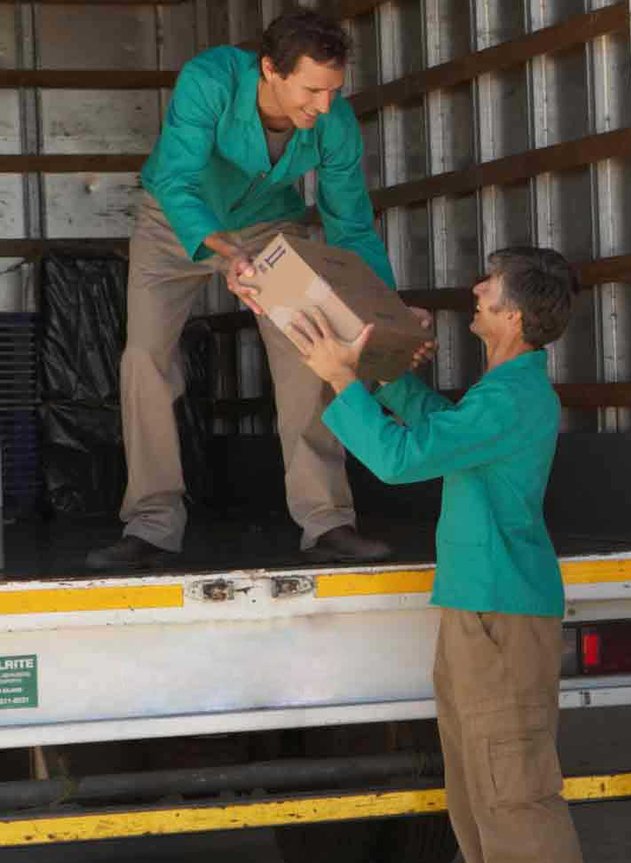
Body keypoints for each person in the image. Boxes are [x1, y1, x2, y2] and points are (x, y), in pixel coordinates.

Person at [286, 247, 619, 863]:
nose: (474, 289)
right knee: (475, 801)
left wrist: (343, 381)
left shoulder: (514, 396)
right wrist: (389, 378)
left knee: (518, 801)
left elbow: (404, 460)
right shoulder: (498, 392)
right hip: (474, 612)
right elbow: (440, 433)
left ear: (513, 315)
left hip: (501, 618)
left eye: (488, 286)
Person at [87, 7, 427, 571]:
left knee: (309, 355)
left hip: (268, 228)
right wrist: (223, 251)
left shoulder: (334, 122)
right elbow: (175, 178)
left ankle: (326, 520)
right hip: (174, 223)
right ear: (270, 68)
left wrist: (385, 309)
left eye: (334, 90)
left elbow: (350, 228)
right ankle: (152, 522)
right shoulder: (209, 80)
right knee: (145, 360)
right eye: (312, 90)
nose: (324, 105)